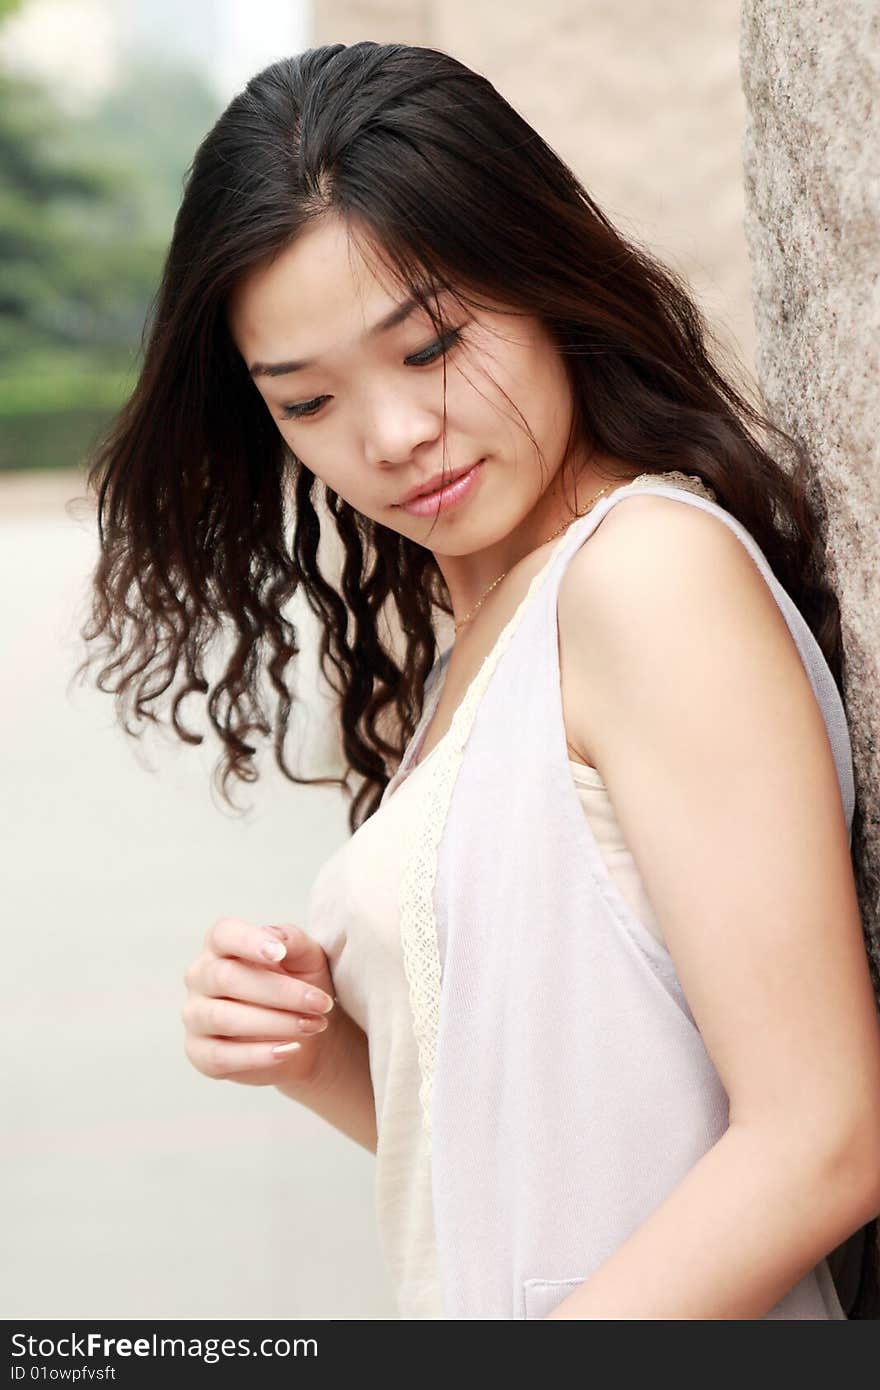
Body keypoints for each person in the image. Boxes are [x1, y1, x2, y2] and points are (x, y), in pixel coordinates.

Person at [74, 42, 880, 1318]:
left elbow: (822, 1139)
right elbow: (520, 1156)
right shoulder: (488, 637)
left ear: (542, 274)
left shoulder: (646, 578)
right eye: (309, 400)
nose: (389, 438)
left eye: (432, 343)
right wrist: (317, 1048)